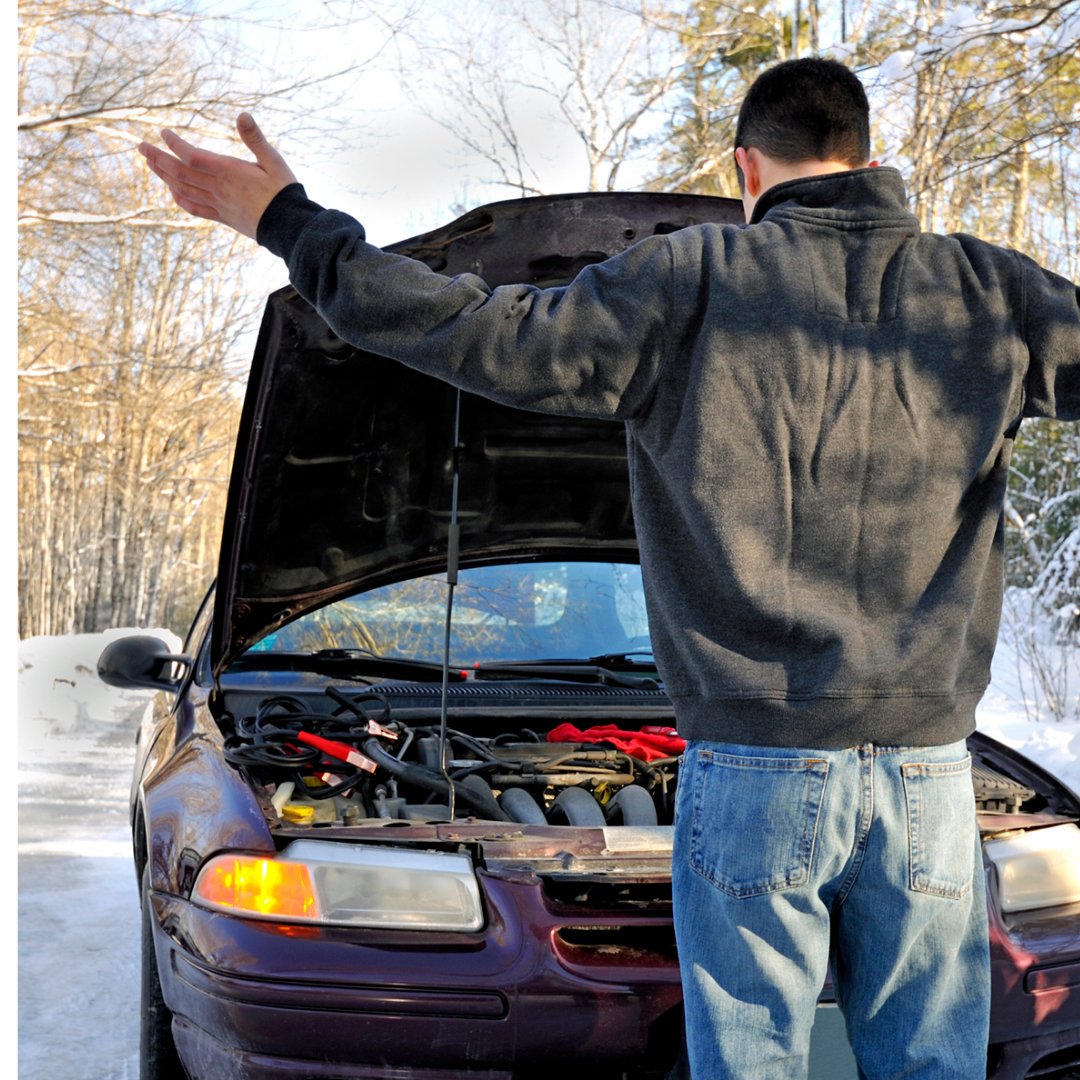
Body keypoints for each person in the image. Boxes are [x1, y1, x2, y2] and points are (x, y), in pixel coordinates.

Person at [138, 58, 1079, 1079]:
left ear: (746, 169)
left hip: (754, 768)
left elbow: (466, 330)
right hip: (928, 778)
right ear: (872, 158)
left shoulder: (691, 283)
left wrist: (293, 223)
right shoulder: (990, 291)